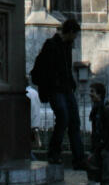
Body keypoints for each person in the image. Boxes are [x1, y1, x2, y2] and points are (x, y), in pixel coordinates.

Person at [31, 17, 87, 169]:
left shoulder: (67, 46)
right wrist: (50, 85)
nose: (75, 38)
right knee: (63, 117)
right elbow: (40, 69)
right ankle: (54, 153)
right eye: (75, 34)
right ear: (69, 32)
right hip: (55, 89)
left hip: (66, 88)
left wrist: (71, 82)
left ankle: (79, 158)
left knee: (74, 120)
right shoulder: (51, 45)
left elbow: (67, 68)